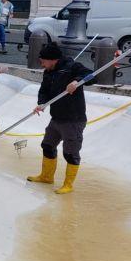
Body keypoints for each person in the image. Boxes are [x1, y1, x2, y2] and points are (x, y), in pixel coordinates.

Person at [27, 42, 96, 194]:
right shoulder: (49, 72)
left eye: (43, 61)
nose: (42, 63)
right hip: (56, 117)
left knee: (70, 153)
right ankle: (46, 177)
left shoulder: (72, 67)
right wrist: (42, 103)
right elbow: (44, 90)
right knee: (47, 145)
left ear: (53, 59)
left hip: (73, 120)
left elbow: (92, 76)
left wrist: (77, 81)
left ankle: (68, 185)